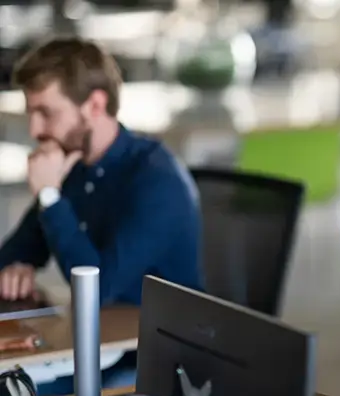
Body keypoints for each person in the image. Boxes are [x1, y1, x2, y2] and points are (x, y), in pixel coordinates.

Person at [0, 37, 202, 304]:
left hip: (156, 340)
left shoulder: (159, 181)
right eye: (31, 114)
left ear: (95, 105)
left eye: (46, 113)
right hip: (102, 333)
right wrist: (14, 269)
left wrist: (49, 196)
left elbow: (97, 290)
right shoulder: (73, 165)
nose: (34, 130)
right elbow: (15, 253)